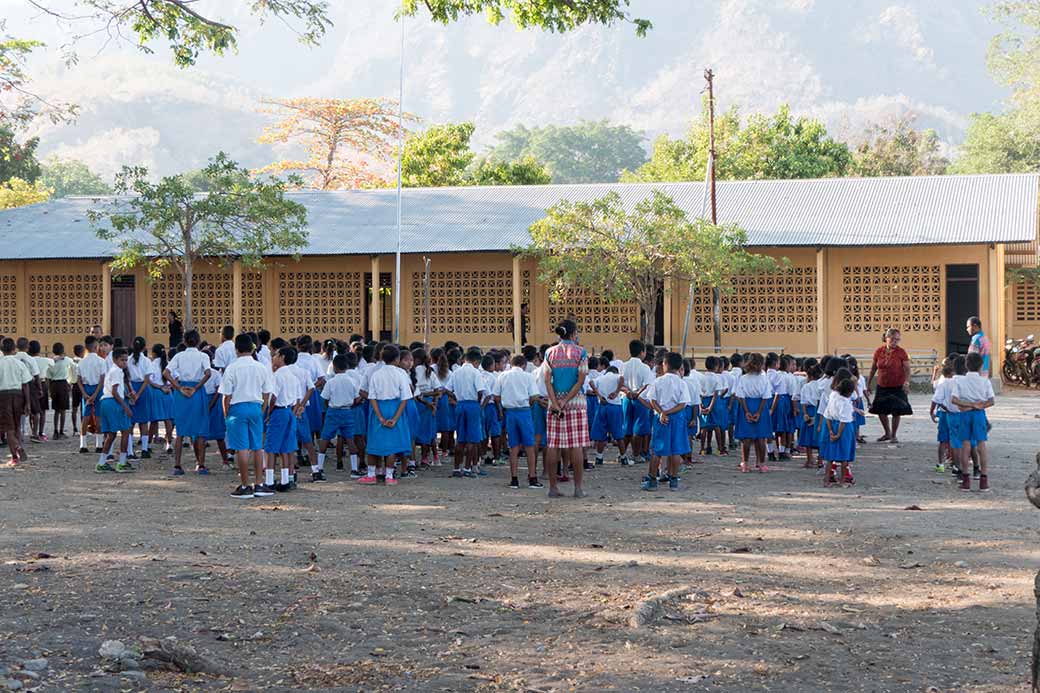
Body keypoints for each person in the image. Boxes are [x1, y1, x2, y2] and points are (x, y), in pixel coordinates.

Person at [220, 333, 275, 499]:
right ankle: (259, 484)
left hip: (237, 408)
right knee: (257, 447)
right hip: (256, 407)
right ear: (252, 348)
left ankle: (245, 485)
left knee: (242, 448)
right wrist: (262, 409)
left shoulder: (232, 368)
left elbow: (226, 396)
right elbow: (267, 392)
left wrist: (226, 414)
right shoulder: (261, 367)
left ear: (236, 349)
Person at [543, 320, 591, 499]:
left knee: (553, 445)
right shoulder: (581, 352)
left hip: (554, 404)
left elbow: (547, 380)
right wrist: (566, 400)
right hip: (576, 404)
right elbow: (581, 380)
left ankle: (552, 488)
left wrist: (556, 403)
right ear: (573, 333)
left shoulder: (550, 352)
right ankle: (578, 488)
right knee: (576, 446)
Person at [360, 344, 411, 486]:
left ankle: (371, 475)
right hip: (395, 408)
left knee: (374, 442)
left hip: (378, 408)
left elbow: (372, 397)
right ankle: (389, 476)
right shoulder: (401, 374)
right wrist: (395, 418)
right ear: (397, 359)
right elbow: (405, 398)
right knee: (392, 444)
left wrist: (380, 417)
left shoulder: (376, 374)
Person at [164, 329, 212, 475]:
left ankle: (177, 465)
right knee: (200, 430)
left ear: (184, 341)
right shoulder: (203, 356)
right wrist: (196, 387)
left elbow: (166, 372)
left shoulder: (179, 356)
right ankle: (201, 465)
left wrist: (178, 387)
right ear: (198, 341)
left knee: (181, 431)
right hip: (197, 391)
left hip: (182, 392)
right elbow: (208, 373)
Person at [494, 354, 542, 489]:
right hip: (524, 411)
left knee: (513, 446)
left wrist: (504, 404)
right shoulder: (528, 376)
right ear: (524, 365)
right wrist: (529, 404)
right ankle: (532, 478)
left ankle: (514, 479)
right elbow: (534, 396)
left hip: (510, 412)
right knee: (529, 446)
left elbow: (496, 396)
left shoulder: (502, 376)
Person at [644, 352, 691, 491]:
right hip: (677, 418)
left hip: (661, 418)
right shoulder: (681, 383)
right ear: (679, 366)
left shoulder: (658, 381)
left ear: (665, 364)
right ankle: (674, 480)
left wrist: (662, 412)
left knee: (657, 450)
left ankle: (652, 481)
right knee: (676, 450)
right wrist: (668, 412)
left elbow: (652, 400)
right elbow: (682, 404)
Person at [951, 352, 995, 492]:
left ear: (966, 365)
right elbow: (991, 401)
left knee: (965, 446)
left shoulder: (959, 381)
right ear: (981, 366)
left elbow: (954, 400)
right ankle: (984, 480)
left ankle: (965, 480)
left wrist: (969, 405)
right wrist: (978, 406)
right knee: (981, 446)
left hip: (965, 414)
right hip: (979, 414)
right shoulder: (985, 381)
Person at [316, 353, 359, 483]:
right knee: (350, 440)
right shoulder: (352, 381)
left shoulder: (331, 382)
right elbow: (357, 398)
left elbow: (325, 398)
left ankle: (319, 467)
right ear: (347, 366)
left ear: (334, 367)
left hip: (333, 411)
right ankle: (354, 469)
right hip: (347, 411)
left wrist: (329, 406)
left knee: (325, 438)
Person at [265, 346, 303, 492]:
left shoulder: (277, 375)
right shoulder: (293, 377)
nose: (273, 357)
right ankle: (285, 480)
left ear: (282, 357)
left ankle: (269, 481)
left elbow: (273, 397)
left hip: (279, 411)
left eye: (276, 355)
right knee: (285, 448)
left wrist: (269, 413)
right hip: (289, 412)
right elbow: (298, 400)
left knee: (271, 447)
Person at [867, 328, 913, 443]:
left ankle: (894, 435)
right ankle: (887, 433)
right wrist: (868, 383)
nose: (895, 342)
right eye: (892, 339)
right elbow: (873, 368)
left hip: (898, 385)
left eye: (897, 339)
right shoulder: (879, 351)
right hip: (882, 385)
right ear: (886, 338)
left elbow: (907, 369)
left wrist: (907, 382)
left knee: (897, 411)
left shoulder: (901, 352)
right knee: (880, 410)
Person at [96, 347, 135, 474]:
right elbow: (114, 392)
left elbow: (114, 390)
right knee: (125, 431)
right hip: (114, 403)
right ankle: (122, 462)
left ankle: (102, 463)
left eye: (126, 360)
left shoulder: (112, 370)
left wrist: (126, 395)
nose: (125, 363)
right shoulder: (117, 371)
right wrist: (125, 407)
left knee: (111, 434)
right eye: (122, 360)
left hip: (106, 402)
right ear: (115, 360)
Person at [734, 353, 774, 473]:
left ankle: (745, 464)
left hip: (746, 405)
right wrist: (759, 412)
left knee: (746, 437)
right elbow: (766, 396)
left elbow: (740, 396)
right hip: (760, 406)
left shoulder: (743, 378)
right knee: (761, 437)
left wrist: (747, 411)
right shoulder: (764, 378)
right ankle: (761, 464)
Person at [451, 348, 486, 478]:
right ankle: (467, 468)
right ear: (476, 361)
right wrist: (477, 402)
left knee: (460, 438)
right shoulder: (476, 372)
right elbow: (480, 391)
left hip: (460, 404)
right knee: (472, 439)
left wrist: (456, 398)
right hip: (472, 405)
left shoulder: (456, 372)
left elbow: (447, 389)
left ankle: (456, 468)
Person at [0, 338, 32, 466]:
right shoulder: (19, 363)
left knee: (9, 428)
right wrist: (28, 403)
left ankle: (15, 454)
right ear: (14, 349)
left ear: (1, 350)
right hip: (18, 395)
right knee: (17, 426)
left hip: (3, 397)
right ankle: (18, 449)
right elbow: (25, 385)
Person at [823, 377, 857, 487]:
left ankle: (826, 480)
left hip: (832, 425)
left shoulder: (833, 396)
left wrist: (831, 431)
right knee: (844, 456)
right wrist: (838, 434)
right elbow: (843, 421)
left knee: (830, 456)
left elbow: (827, 415)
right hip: (845, 429)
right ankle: (842, 481)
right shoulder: (845, 402)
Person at [591, 364, 626, 466]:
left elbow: (591, 382)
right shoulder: (616, 376)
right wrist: (616, 392)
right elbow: (622, 378)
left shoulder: (601, 377)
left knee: (601, 434)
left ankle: (599, 457)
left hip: (602, 405)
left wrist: (599, 395)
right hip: (615, 406)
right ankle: (623, 458)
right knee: (618, 435)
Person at [77, 335, 107, 454]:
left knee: (86, 416)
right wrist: (95, 394)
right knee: (98, 416)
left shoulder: (81, 362)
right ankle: (99, 444)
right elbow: (102, 379)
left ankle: (83, 445)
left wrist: (84, 393)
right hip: (98, 390)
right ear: (96, 346)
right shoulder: (101, 361)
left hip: (86, 389)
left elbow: (78, 380)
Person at [127, 337, 154, 459]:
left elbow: (126, 378)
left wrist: (132, 392)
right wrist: (138, 394)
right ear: (144, 348)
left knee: (130, 422)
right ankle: (144, 449)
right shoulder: (147, 361)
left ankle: (129, 451)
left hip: (131, 388)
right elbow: (147, 380)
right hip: (143, 390)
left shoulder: (128, 360)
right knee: (144, 422)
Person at [930, 357, 955, 474]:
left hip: (944, 413)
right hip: (955, 413)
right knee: (955, 439)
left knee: (943, 440)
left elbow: (936, 399)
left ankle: (941, 464)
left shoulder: (942, 382)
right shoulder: (958, 381)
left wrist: (932, 411)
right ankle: (955, 463)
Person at [148, 344, 174, 454]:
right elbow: (176, 377)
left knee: (154, 420)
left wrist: (160, 387)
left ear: (154, 353)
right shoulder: (168, 363)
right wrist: (169, 386)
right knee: (168, 420)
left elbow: (149, 380)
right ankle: (169, 444)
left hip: (157, 393)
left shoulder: (152, 364)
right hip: (168, 393)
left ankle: (148, 444)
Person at [47, 343, 72, 440]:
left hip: (53, 385)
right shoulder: (66, 360)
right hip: (63, 384)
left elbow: (48, 377)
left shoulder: (51, 362)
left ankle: (55, 432)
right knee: (63, 410)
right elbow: (73, 364)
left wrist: (50, 389)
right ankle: (61, 431)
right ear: (63, 351)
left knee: (56, 410)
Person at [29, 341, 52, 442]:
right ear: (39, 350)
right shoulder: (46, 360)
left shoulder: (27, 360)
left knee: (33, 410)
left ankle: (33, 431)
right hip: (42, 384)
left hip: (30, 385)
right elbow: (53, 363)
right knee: (42, 410)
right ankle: (41, 432)